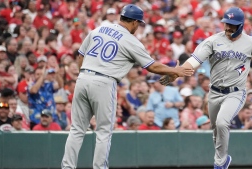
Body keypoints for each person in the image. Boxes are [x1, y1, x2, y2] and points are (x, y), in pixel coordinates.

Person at [61, 4, 193, 169]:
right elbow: (152, 66)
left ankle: (67, 167)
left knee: (77, 130)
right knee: (103, 132)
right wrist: (175, 70)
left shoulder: (99, 30)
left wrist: (85, 74)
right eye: (139, 23)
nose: (138, 27)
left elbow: (80, 56)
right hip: (104, 82)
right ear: (135, 22)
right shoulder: (130, 40)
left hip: (83, 78)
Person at [160, 7, 252, 169]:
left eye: (232, 24)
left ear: (240, 25)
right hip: (214, 92)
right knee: (216, 131)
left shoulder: (251, 42)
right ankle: (222, 159)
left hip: (236, 92)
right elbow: (195, 60)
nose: (227, 27)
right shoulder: (212, 41)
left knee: (222, 123)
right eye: (226, 23)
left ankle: (220, 163)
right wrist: (178, 72)